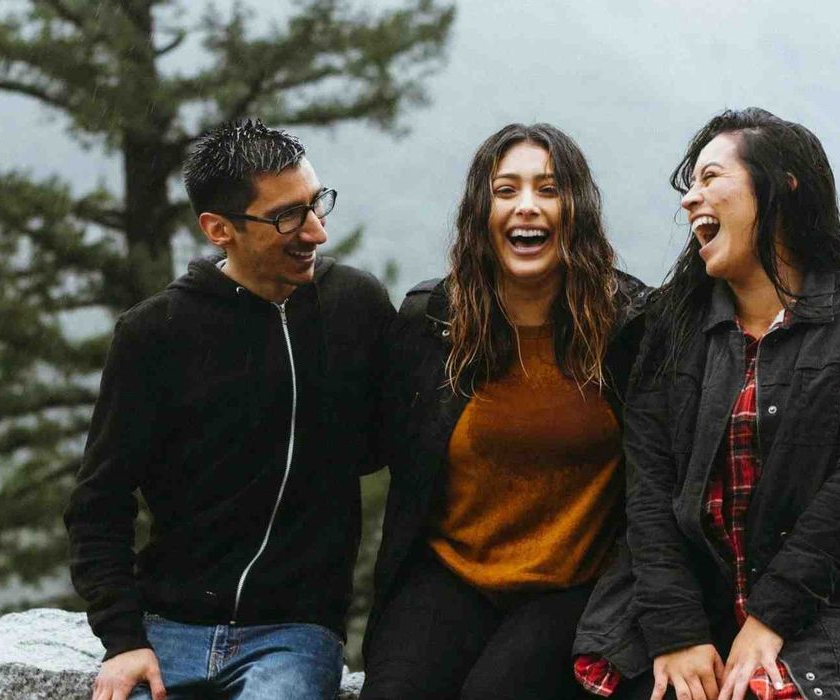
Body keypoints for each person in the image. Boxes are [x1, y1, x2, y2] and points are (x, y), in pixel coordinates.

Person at [64, 119, 394, 700]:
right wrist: (123, 639)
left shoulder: (356, 307)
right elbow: (99, 504)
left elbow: (403, 441)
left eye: (317, 204)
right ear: (219, 229)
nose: (315, 231)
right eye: (287, 216)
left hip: (293, 635)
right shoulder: (155, 334)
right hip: (165, 630)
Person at [606, 107, 840, 700]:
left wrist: (769, 620)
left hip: (830, 624)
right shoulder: (665, 329)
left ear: (782, 185)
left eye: (710, 178)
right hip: (696, 620)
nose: (689, 200)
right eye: (689, 185)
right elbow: (648, 493)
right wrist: (676, 632)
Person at [359, 122, 649, 700]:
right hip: (450, 576)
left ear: (577, 209)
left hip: (573, 588)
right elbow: (361, 440)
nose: (527, 207)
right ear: (480, 211)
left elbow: (707, 427)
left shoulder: (629, 327)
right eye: (506, 189)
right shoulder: (432, 322)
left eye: (548, 189)